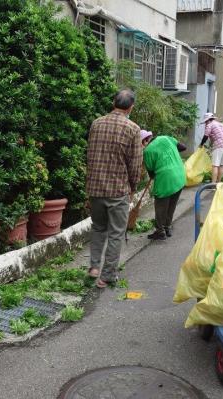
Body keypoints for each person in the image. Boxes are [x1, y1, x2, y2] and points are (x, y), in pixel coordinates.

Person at [86, 89, 142, 288]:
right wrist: (133, 187)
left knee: (98, 228)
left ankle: (93, 267)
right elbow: (135, 163)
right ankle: (107, 276)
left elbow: (90, 154)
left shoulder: (96, 123)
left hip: (95, 188)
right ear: (131, 107)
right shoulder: (133, 129)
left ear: (113, 102)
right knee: (116, 233)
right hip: (117, 190)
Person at [142, 130, 186, 240]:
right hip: (180, 174)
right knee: (172, 204)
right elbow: (183, 147)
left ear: (144, 141)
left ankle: (160, 231)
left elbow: (151, 173)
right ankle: (167, 227)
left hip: (166, 178)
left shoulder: (147, 151)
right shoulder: (166, 138)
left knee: (161, 205)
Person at [199, 112, 223, 184]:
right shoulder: (221, 124)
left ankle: (213, 184)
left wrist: (201, 145)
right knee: (221, 166)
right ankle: (218, 183)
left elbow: (205, 136)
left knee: (215, 166)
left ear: (207, 120)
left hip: (219, 146)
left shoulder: (209, 125)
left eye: (205, 122)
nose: (205, 123)